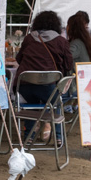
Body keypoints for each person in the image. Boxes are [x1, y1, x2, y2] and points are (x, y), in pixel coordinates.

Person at [12, 11, 74, 140]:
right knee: (55, 104)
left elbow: (19, 59)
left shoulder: (29, 38)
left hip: (25, 86)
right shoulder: (61, 41)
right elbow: (69, 65)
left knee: (32, 103)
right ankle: (58, 137)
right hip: (49, 87)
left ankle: (29, 135)